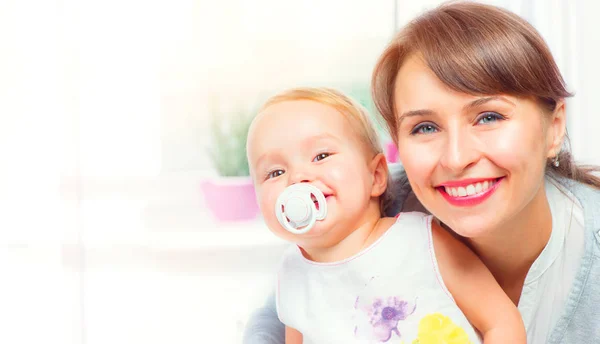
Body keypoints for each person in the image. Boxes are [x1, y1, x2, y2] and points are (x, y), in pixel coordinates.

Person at [242, 3, 600, 344]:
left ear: (553, 128)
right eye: (425, 127)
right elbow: (283, 314)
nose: (457, 158)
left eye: (489, 117)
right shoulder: (378, 204)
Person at [245, 87, 525, 343]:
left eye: (321, 156)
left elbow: (501, 322)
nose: (298, 177)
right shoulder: (291, 276)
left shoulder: (421, 240)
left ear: (377, 175)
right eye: (275, 173)